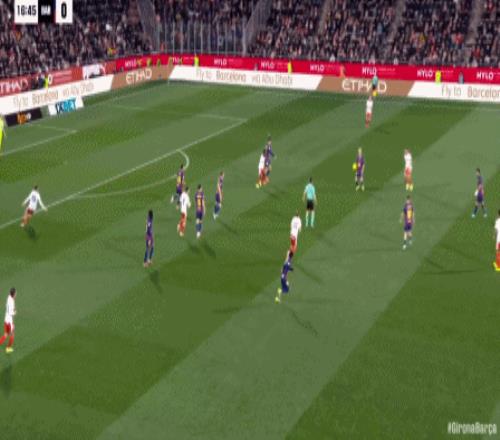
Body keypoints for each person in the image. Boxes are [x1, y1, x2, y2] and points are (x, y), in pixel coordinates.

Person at [0, 288, 16, 354]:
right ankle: (8, 348)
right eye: (15, 294)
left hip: (5, 320)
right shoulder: (12, 302)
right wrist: (14, 312)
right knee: (12, 335)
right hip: (9, 322)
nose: (16, 295)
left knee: (6, 334)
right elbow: (10, 312)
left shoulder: (8, 298)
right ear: (14, 294)